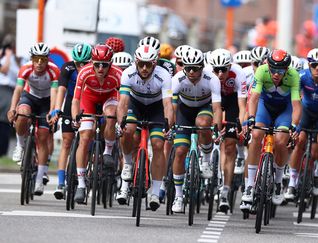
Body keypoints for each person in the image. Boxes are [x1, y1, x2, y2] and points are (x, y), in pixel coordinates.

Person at [241, 49, 301, 211]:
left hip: (284, 110)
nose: (276, 74)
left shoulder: (294, 76)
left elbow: (296, 105)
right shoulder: (261, 71)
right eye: (273, 70)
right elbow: (253, 98)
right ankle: (249, 186)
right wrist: (251, 118)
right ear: (268, 66)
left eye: (280, 71)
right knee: (256, 134)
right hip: (264, 107)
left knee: (281, 141)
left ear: (286, 70)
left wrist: (294, 125)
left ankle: (278, 183)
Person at [116, 44, 174, 210]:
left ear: (155, 64)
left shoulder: (163, 76)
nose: (144, 68)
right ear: (136, 61)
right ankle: (127, 165)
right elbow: (123, 103)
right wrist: (120, 124)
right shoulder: (128, 73)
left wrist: (168, 127)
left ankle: (155, 191)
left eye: (148, 64)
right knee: (128, 130)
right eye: (140, 63)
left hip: (156, 108)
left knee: (157, 144)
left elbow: (168, 105)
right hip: (136, 105)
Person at [170, 48, 222, 213]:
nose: (192, 72)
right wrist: (170, 126)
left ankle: (206, 160)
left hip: (203, 108)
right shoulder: (177, 79)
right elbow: (171, 107)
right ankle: (178, 196)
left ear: (202, 67)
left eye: (196, 68)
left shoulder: (211, 79)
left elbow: (217, 107)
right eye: (188, 68)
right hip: (184, 111)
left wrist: (217, 129)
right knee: (180, 151)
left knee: (203, 123)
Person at [71, 44, 122, 203]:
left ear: (110, 63)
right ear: (91, 62)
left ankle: (107, 151)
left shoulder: (117, 74)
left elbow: (122, 101)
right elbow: (76, 99)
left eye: (105, 65)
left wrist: (120, 122)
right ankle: (81, 184)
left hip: (110, 98)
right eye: (97, 64)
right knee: (85, 136)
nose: (100, 68)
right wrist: (75, 118)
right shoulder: (85, 72)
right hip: (89, 99)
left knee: (111, 115)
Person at [284, 49, 318, 206]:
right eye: (314, 65)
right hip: (305, 111)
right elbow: (294, 98)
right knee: (299, 140)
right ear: (309, 65)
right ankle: (292, 182)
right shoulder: (302, 77)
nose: (317, 69)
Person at [7, 42, 60, 195]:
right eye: (36, 59)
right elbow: (18, 89)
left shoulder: (53, 71)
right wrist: (12, 108)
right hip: (29, 97)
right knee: (22, 113)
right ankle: (20, 146)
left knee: (43, 137)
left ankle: (39, 181)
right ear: (32, 58)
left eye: (42, 60)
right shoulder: (25, 68)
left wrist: (52, 111)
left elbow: (55, 93)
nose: (39, 63)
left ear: (47, 60)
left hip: (46, 102)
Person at [50, 43, 92, 199]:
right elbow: (61, 89)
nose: (81, 67)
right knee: (67, 142)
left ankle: (83, 172)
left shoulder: (93, 69)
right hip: (70, 102)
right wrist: (56, 109)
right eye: (78, 64)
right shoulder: (68, 68)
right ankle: (61, 183)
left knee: (85, 142)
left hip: (87, 103)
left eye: (85, 63)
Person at [209, 48, 247, 212]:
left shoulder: (238, 73)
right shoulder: (207, 73)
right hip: (212, 99)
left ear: (230, 66)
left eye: (223, 69)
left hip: (232, 101)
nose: (219, 74)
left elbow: (242, 105)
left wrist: (241, 124)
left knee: (230, 146)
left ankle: (225, 189)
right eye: (216, 70)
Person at [0, 34, 20, 156]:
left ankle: (2, 151)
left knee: (5, 121)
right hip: (2, 88)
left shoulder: (16, 58)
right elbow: (4, 69)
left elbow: (20, 73)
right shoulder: (3, 55)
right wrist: (6, 56)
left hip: (10, 90)